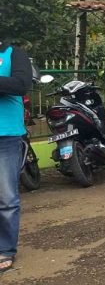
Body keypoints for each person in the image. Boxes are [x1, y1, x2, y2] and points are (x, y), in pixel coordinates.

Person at [0, 41, 32, 274]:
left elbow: (21, 84)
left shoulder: (13, 53)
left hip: (6, 135)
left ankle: (6, 249)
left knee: (7, 198)